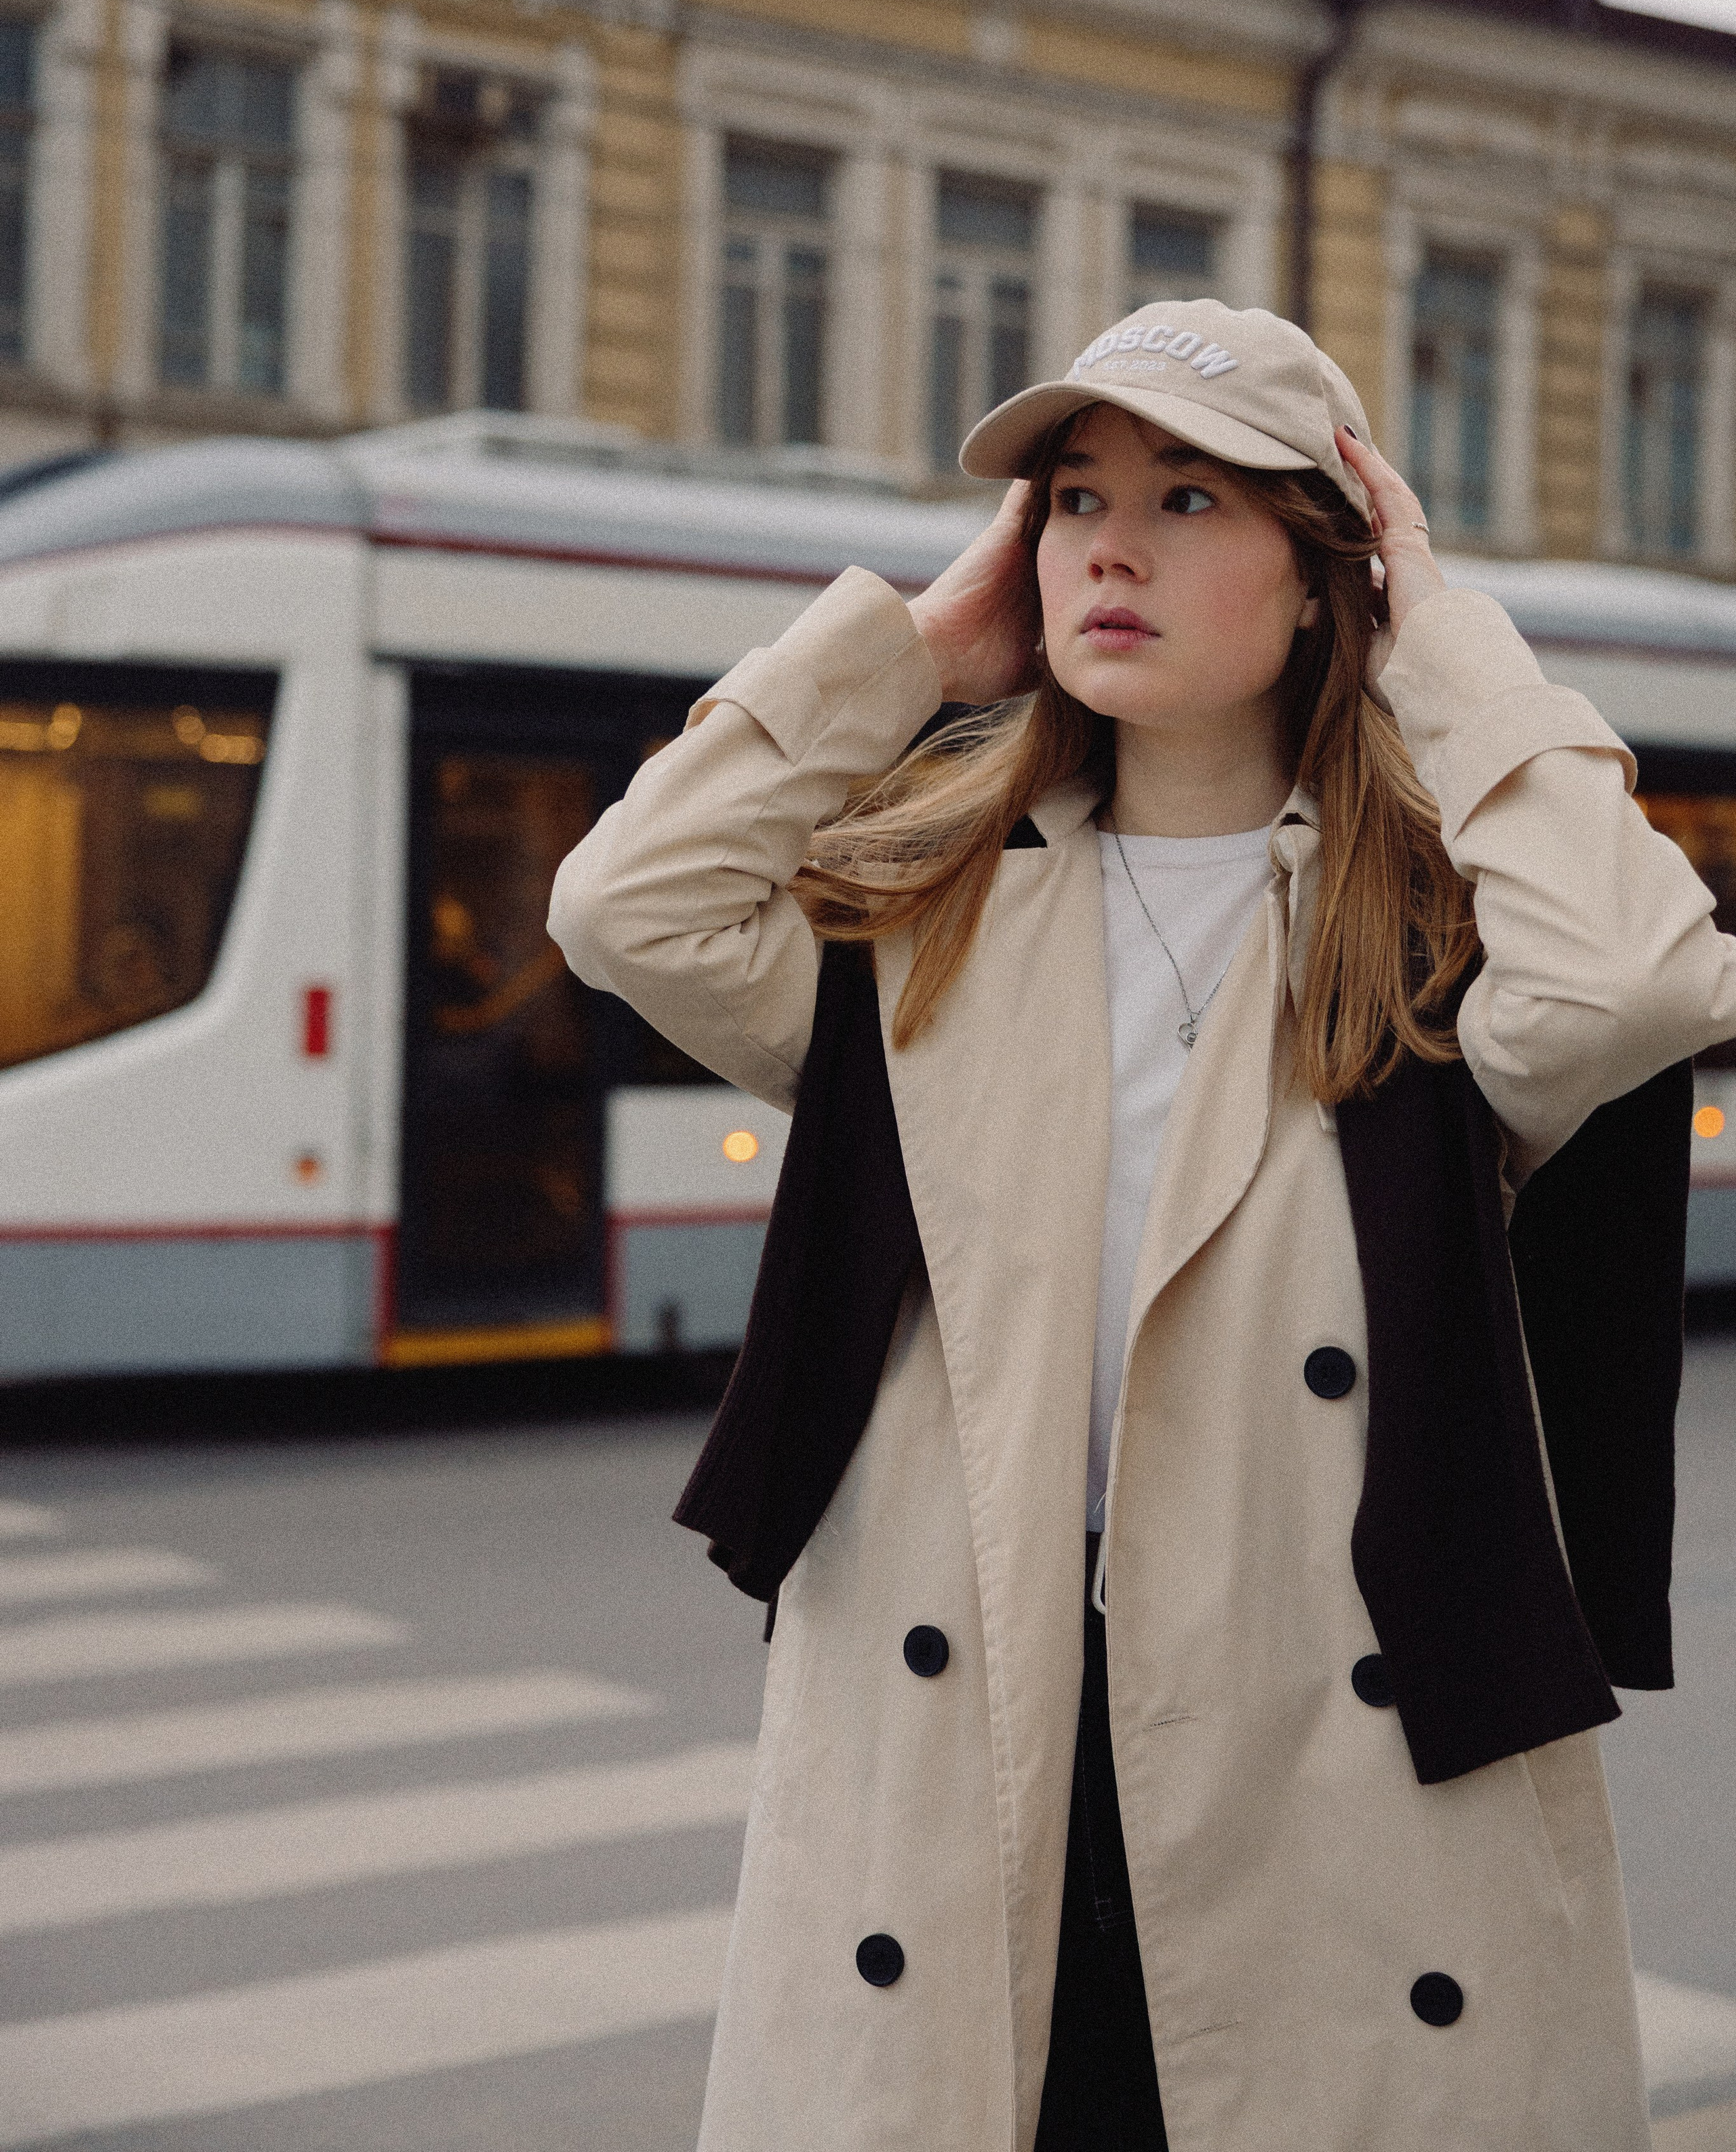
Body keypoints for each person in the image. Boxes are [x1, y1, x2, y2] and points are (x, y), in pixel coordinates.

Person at [548, 301, 1736, 2152]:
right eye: (1074, 499)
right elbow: (631, 908)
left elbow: (1645, 983)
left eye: (1189, 498)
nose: (1110, 543)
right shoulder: (927, 925)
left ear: (1322, 575)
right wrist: (914, 645)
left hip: (1327, 1770)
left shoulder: (1423, 949)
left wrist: (1453, 642)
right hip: (978, 1753)